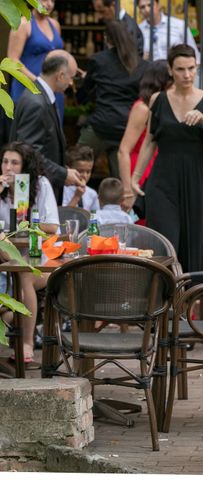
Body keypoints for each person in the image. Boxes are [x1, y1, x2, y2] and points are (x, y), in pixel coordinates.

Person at [129, 44, 203, 272]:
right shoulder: (158, 100)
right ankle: (168, 302)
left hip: (198, 180)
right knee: (165, 245)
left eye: (191, 68)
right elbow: (150, 140)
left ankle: (190, 301)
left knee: (197, 246)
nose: (187, 75)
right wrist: (135, 177)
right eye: (181, 69)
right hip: (163, 180)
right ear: (170, 70)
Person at [0, 142, 59, 367]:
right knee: (15, 265)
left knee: (23, 271)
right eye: (5, 162)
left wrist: (28, 224)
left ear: (25, 166)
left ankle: (26, 342)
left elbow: (52, 227)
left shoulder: (40, 185)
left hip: (40, 258)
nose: (8, 168)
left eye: (15, 162)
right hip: (6, 258)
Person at [77, 21, 148, 179]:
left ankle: (71, 202)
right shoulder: (142, 65)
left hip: (100, 126)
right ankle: (125, 203)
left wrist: (83, 85)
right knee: (122, 181)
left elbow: (85, 91)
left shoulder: (99, 60)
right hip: (126, 130)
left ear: (106, 38)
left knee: (76, 168)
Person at [9, 50, 83, 202]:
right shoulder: (36, 103)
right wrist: (62, 174)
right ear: (60, 75)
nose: (71, 83)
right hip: (33, 194)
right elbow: (29, 153)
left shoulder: (40, 96)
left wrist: (63, 170)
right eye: (71, 77)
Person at [118, 59, 172, 215]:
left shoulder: (161, 105)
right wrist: (128, 190)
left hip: (155, 172)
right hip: (140, 173)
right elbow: (123, 151)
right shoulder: (142, 108)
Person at [7, 0, 64, 121]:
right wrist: (39, 83)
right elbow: (12, 59)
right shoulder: (23, 23)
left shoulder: (55, 24)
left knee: (53, 133)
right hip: (28, 89)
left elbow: (58, 55)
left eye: (52, 0)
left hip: (53, 90)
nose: (48, 4)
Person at [62, 144, 99, 212]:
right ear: (69, 169)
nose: (85, 176)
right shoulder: (62, 190)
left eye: (88, 172)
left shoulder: (92, 194)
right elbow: (63, 217)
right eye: (80, 171)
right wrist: (77, 197)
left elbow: (95, 219)